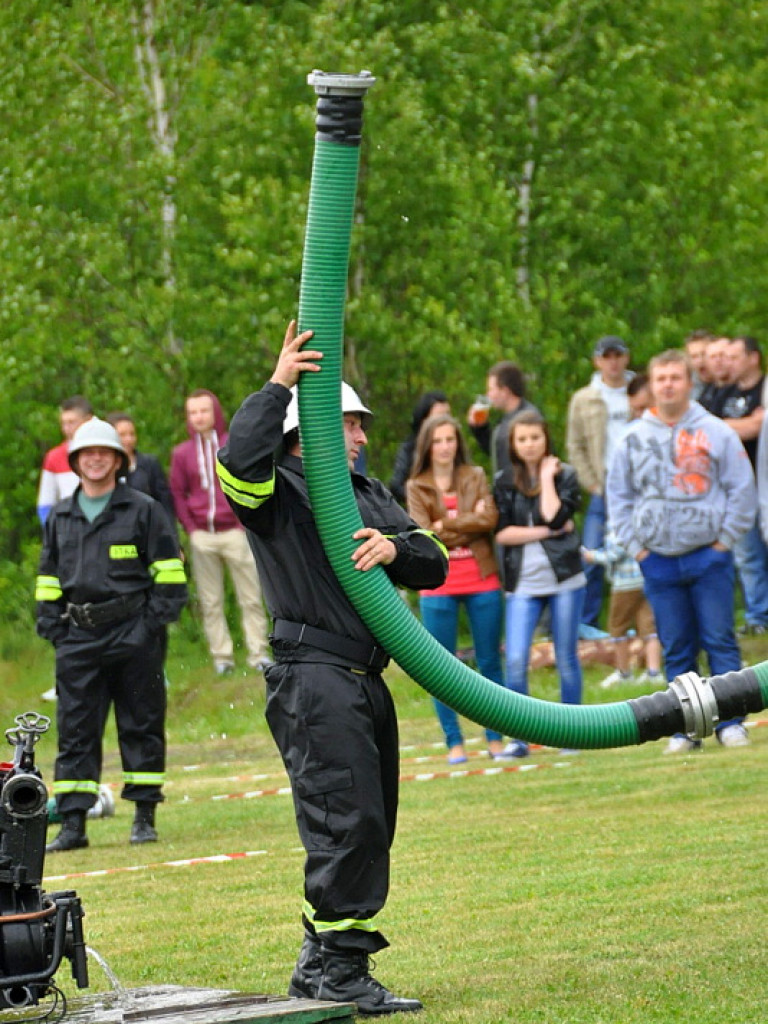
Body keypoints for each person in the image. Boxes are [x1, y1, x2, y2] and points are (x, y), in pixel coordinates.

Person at [216, 321, 448, 1015]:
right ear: (307, 429)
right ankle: (339, 974)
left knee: (369, 823)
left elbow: (432, 558)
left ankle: (324, 964)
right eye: (349, 423)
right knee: (344, 823)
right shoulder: (276, 491)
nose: (362, 436)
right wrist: (278, 383)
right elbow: (236, 462)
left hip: (365, 681)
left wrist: (394, 551)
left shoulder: (367, 492)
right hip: (313, 677)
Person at [35, 418, 187, 851]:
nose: (96, 459)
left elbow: (170, 573)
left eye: (104, 452)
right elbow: (48, 577)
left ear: (118, 460)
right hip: (77, 637)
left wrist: (151, 625)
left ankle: (144, 815)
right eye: (87, 454)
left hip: (134, 634)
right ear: (76, 462)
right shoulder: (61, 516)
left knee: (141, 723)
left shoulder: (144, 509)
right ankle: (74, 824)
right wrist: (53, 628)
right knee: (75, 730)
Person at [607, 350, 756, 752]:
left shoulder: (717, 432)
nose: (668, 384)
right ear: (652, 386)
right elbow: (617, 497)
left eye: (676, 377)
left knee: (719, 639)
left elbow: (742, 489)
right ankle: (685, 728)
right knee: (675, 646)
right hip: (657, 561)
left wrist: (724, 540)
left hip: (709, 556)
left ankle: (731, 722)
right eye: (661, 378)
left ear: (690, 383)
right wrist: (637, 550)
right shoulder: (632, 439)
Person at [406, 413, 508, 763]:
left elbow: (489, 520)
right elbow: (422, 534)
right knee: (441, 668)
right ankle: (455, 743)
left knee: (489, 661)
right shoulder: (416, 485)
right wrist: (467, 522)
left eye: (450, 439)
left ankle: (496, 739)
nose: (445, 447)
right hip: (437, 583)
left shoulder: (475, 476)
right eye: (438, 441)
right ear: (427, 446)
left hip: (482, 578)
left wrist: (445, 522)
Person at [494, 411, 586, 758]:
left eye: (535, 437)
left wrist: (548, 478)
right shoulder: (503, 481)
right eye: (522, 439)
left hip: (565, 580)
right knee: (516, 659)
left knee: (566, 656)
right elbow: (503, 532)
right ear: (513, 445)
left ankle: (573, 735)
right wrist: (547, 532)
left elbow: (556, 514)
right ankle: (520, 738)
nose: (529, 444)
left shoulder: (566, 475)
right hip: (523, 584)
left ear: (546, 438)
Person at [170, 389, 270, 675]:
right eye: (193, 412)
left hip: (236, 532)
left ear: (215, 412)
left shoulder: (232, 444)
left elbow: (249, 480)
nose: (199, 417)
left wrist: (243, 523)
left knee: (250, 594)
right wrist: (190, 529)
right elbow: (177, 492)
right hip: (202, 535)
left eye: (204, 411)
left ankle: (258, 652)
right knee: (210, 600)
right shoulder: (182, 453)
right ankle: (222, 657)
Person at [566, 335, 633, 637]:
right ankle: (587, 626)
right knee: (590, 555)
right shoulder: (585, 397)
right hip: (603, 489)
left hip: (637, 489)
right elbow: (575, 444)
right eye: (606, 356)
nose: (613, 362)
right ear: (597, 361)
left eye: (617, 355)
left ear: (626, 358)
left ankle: (643, 627)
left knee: (639, 556)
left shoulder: (640, 390)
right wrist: (591, 483)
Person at [719, 336, 768, 633]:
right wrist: (742, 425)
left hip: (762, 481)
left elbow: (757, 427)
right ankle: (757, 617)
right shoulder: (724, 392)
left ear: (753, 358)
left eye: (735, 357)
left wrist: (729, 426)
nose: (728, 363)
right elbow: (712, 428)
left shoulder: (764, 389)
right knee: (748, 556)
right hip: (737, 488)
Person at [468, 360, 539, 477]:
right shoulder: (508, 418)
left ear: (505, 391)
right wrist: (479, 429)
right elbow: (497, 452)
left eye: (491, 389)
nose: (488, 395)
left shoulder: (528, 420)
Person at [106, 412, 177, 527]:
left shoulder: (150, 464)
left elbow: (165, 504)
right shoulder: (103, 469)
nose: (128, 439)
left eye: (132, 434)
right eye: (122, 435)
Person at [37, 395, 93, 525]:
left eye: (72, 422)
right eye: (64, 423)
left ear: (88, 420)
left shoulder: (105, 454)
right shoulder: (54, 457)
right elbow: (45, 503)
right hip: (68, 530)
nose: (66, 428)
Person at [388, 390, 450, 504]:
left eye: (447, 416)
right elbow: (396, 486)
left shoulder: (453, 445)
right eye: (439, 417)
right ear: (424, 420)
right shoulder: (410, 448)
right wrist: (423, 499)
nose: (444, 422)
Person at [685, 329, 715, 401]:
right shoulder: (686, 387)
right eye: (694, 356)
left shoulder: (731, 383)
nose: (700, 361)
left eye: (704, 354)